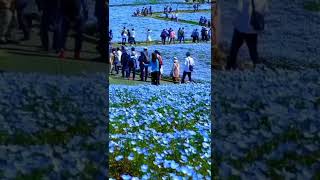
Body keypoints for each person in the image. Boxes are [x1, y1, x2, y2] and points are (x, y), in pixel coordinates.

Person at [226, 0, 268, 70]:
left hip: (241, 27)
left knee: (234, 48)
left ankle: (230, 66)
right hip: (252, 29)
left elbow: (239, 10)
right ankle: (257, 66)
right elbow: (265, 11)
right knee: (253, 50)